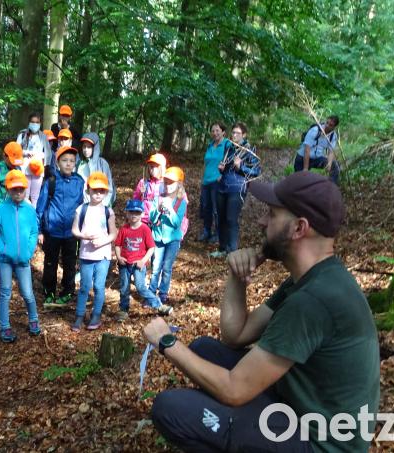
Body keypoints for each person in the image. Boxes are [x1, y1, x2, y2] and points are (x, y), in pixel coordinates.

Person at [146, 171, 379, 452]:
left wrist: (167, 342)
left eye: (272, 214)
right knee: (204, 349)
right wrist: (237, 276)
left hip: (319, 443)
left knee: (170, 409)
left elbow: (234, 389)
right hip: (297, 408)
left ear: (298, 228)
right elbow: (236, 335)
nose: (262, 221)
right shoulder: (312, 279)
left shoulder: (313, 301)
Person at [0, 170, 41, 343]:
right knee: (5, 292)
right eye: (14, 189)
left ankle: (33, 319)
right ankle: (5, 327)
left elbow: (34, 232)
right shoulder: (0, 209)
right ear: (8, 189)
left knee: (27, 292)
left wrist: (29, 250)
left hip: (23, 259)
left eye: (21, 189)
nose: (18, 192)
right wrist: (1, 249)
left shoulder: (30, 210)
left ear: (25, 189)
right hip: (4, 260)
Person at [35, 146, 85, 309]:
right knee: (50, 263)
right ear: (57, 163)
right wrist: (40, 230)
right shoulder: (51, 181)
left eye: (71, 161)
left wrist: (82, 228)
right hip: (53, 231)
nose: (68, 164)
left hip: (71, 232)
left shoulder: (79, 182)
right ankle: (49, 291)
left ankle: (67, 292)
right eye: (64, 160)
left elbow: (82, 206)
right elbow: (41, 207)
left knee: (70, 263)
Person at [69, 173, 117, 331]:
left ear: (106, 192)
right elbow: (74, 230)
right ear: (88, 190)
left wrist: (102, 242)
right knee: (84, 286)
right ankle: (79, 315)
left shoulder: (108, 211)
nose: (98, 194)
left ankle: (96, 314)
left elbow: (113, 233)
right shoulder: (81, 209)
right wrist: (84, 236)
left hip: (103, 256)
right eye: (95, 190)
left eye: (101, 191)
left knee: (98, 286)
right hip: (86, 255)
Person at [114, 199, 172, 322]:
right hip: (125, 263)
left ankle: (159, 305)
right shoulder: (124, 229)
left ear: (142, 214)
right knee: (124, 288)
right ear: (127, 213)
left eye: (137, 212)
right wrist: (119, 257)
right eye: (131, 212)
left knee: (140, 287)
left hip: (138, 264)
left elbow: (151, 247)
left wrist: (143, 260)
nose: (134, 215)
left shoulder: (145, 229)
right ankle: (123, 310)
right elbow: (118, 245)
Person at [212, 122, 261, 258]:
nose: (234, 135)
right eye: (233, 132)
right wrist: (221, 169)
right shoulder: (229, 148)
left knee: (231, 219)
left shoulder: (249, 149)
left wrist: (241, 167)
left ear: (244, 135)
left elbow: (256, 171)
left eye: (237, 133)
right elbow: (227, 167)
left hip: (237, 188)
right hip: (223, 186)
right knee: (221, 218)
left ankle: (232, 252)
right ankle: (222, 249)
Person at [148, 167, 188, 306]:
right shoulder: (158, 198)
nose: (168, 185)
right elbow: (152, 219)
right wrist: (158, 210)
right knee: (155, 267)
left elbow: (177, 223)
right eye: (166, 182)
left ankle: (163, 293)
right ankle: (151, 293)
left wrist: (169, 209)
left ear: (179, 184)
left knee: (166, 268)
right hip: (158, 238)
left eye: (171, 182)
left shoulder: (181, 202)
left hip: (173, 240)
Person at [199, 122, 231, 243]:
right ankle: (206, 231)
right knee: (206, 207)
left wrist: (223, 176)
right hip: (206, 181)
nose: (215, 133)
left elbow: (230, 162)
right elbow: (206, 163)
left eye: (217, 130)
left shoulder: (227, 144)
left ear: (223, 132)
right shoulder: (210, 145)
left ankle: (218, 233)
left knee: (216, 209)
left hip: (218, 181)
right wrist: (202, 178)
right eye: (213, 131)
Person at [16, 112, 53, 206]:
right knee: (25, 195)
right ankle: (24, 212)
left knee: (35, 197)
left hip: (38, 169)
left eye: (37, 122)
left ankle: (33, 213)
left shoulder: (43, 136)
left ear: (40, 123)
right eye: (33, 122)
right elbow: (16, 150)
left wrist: (45, 164)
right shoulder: (22, 134)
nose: (35, 124)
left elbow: (48, 153)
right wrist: (25, 153)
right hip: (25, 169)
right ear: (29, 122)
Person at [294, 115, 340, 185]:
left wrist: (329, 163)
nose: (327, 125)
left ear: (334, 127)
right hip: (302, 158)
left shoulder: (333, 136)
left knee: (335, 165)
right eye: (327, 123)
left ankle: (331, 186)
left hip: (316, 159)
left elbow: (331, 151)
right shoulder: (315, 130)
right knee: (300, 182)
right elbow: (307, 149)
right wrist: (305, 169)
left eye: (330, 125)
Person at [75, 132, 115, 207]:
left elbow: (109, 187)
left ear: (95, 148)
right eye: (84, 146)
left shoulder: (102, 163)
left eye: (89, 147)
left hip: (101, 205)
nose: (86, 150)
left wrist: (104, 206)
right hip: (84, 206)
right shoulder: (79, 164)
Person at [0, 141, 24, 212]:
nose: (14, 164)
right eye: (12, 161)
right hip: (0, 205)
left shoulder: (18, 169)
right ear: (5, 156)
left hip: (14, 206)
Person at [132, 152, 167, 225]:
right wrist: (140, 193)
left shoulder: (166, 184)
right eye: (151, 166)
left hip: (159, 222)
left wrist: (162, 218)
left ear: (161, 168)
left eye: (155, 166)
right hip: (143, 220)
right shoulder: (143, 182)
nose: (152, 169)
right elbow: (135, 200)